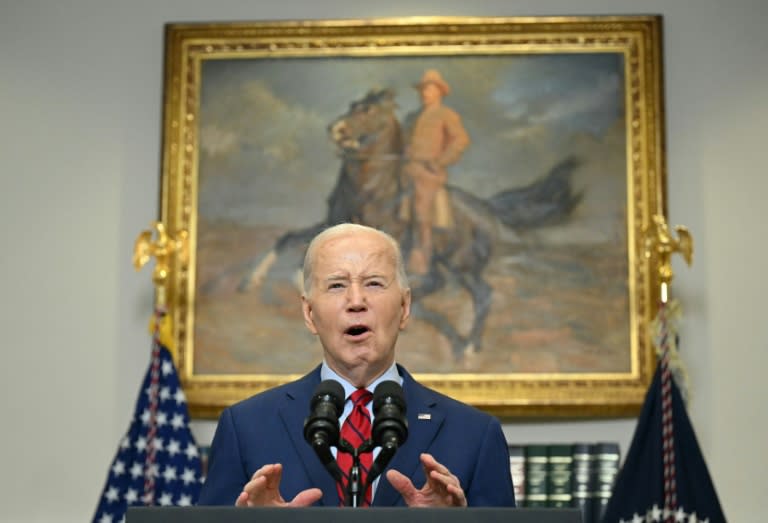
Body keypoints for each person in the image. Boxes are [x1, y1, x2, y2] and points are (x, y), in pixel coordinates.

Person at [197, 223, 514, 507]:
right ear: (309, 314)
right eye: (336, 285)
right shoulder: (246, 427)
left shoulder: (475, 434)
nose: (356, 301)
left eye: (374, 283)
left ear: (404, 307)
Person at [401, 69, 470, 275]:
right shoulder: (412, 118)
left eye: (429, 89)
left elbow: (461, 140)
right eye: (423, 90)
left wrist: (440, 161)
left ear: (439, 92)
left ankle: (423, 258)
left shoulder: (446, 115)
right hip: (407, 169)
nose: (425, 94)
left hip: (429, 173)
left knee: (421, 209)